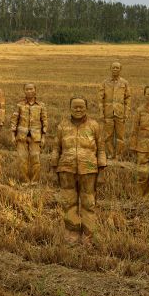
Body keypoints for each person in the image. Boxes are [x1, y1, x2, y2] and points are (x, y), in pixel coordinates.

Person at [53, 95, 106, 245]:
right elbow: (56, 148)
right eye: (75, 106)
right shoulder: (62, 126)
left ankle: (88, 237)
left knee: (89, 204)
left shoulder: (94, 126)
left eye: (81, 107)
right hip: (66, 170)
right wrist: (53, 168)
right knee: (68, 203)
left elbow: (101, 149)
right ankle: (72, 235)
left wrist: (101, 172)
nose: (78, 109)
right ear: (70, 108)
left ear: (86, 108)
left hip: (89, 170)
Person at [10, 83, 48, 186]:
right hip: (21, 137)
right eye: (27, 89)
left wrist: (43, 137)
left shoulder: (41, 105)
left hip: (36, 137)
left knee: (36, 159)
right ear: (24, 91)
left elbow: (44, 121)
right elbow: (14, 121)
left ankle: (35, 182)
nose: (29, 91)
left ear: (35, 90)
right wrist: (13, 135)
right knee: (22, 160)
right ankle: (25, 181)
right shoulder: (19, 105)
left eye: (31, 89)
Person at [98, 62, 130, 157]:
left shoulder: (125, 83)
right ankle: (111, 154)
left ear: (120, 69)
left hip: (120, 113)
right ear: (110, 69)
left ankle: (119, 154)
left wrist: (126, 113)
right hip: (108, 113)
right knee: (108, 136)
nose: (115, 69)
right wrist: (101, 112)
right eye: (113, 68)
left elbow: (128, 98)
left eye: (117, 68)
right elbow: (100, 99)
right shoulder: (104, 83)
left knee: (120, 136)